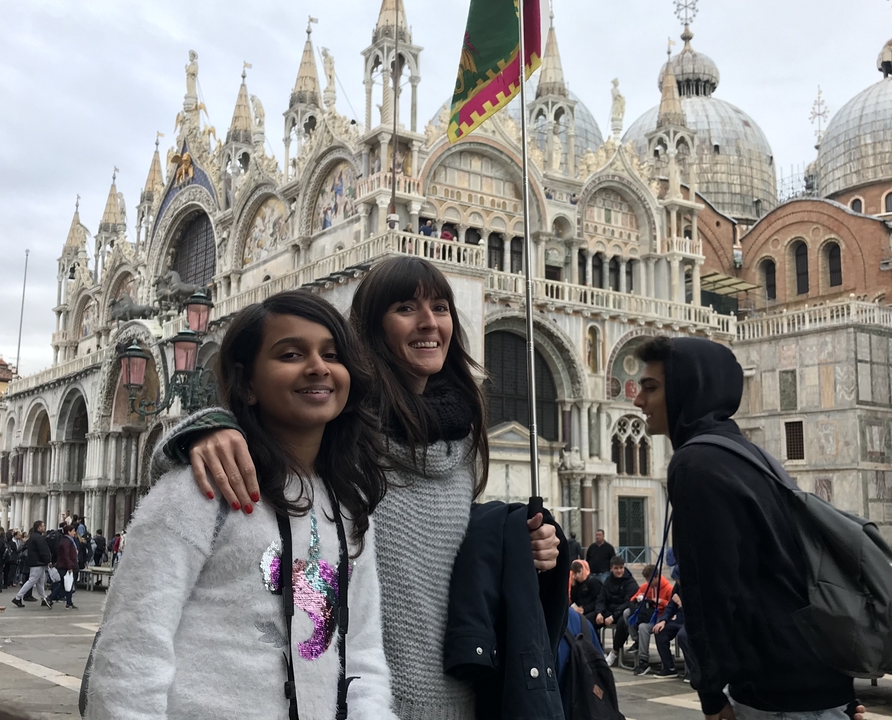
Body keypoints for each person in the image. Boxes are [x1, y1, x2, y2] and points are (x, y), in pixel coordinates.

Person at [151, 256, 560, 719]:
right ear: (371, 327)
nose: (430, 322)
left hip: (454, 691)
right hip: (354, 692)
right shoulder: (343, 427)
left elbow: (449, 553)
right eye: (407, 308)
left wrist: (520, 544)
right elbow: (254, 442)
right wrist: (206, 430)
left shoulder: (463, 439)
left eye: (442, 307)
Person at [86, 290, 396, 719]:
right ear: (248, 383)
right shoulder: (199, 489)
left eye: (332, 354)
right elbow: (132, 646)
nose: (318, 367)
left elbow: (361, 651)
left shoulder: (349, 504)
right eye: (290, 354)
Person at [633, 335, 856, 718]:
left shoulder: (695, 464)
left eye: (650, 388)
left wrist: (710, 693)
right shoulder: (749, 454)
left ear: (690, 387)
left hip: (775, 692)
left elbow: (710, 588)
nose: (638, 400)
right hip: (818, 677)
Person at [626, 566, 674, 676]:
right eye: (647, 580)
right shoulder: (646, 587)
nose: (648, 582)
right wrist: (638, 597)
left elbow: (672, 606)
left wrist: (661, 602)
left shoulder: (668, 588)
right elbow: (633, 598)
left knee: (643, 627)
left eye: (650, 580)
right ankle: (639, 647)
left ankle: (644, 659)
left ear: (657, 577)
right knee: (630, 615)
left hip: (662, 616)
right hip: (649, 614)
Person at [593, 555, 637, 667]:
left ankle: (614, 653)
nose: (619, 571)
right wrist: (599, 612)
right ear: (611, 568)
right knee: (589, 620)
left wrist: (613, 617)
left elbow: (629, 602)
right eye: (616, 568)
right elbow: (601, 598)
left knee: (623, 622)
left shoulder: (630, 582)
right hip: (609, 610)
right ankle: (597, 650)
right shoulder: (608, 581)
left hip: (622, 612)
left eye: (621, 568)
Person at [12, 521, 53, 609]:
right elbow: (43, 550)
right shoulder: (39, 538)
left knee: (40, 581)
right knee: (32, 580)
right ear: (39, 527)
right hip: (38, 562)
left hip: (36, 562)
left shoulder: (33, 536)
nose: (44, 527)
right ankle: (18, 597)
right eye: (43, 526)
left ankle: (43, 598)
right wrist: (48, 560)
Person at [48, 524, 79, 609]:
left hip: (66, 565)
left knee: (65, 583)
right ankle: (52, 598)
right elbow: (66, 555)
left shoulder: (69, 540)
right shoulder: (66, 541)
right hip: (64, 566)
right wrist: (69, 567)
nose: (74, 533)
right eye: (73, 531)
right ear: (69, 532)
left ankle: (67, 602)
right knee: (66, 583)